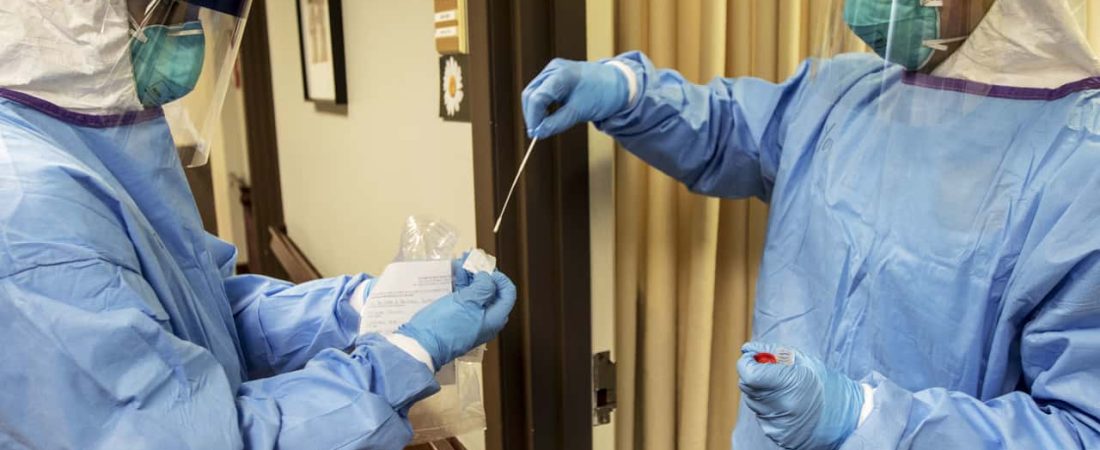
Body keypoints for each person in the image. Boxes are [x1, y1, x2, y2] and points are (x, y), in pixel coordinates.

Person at [522, 0, 1100, 448]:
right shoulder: (849, 91)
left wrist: (867, 421)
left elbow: (1080, 428)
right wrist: (625, 93)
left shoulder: (1079, 162)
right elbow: (730, 131)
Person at [0, 1, 516, 449]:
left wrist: (362, 306)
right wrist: (407, 354)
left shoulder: (87, 151)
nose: (185, 31)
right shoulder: (29, 212)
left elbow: (208, 309)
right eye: (158, 11)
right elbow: (195, 440)